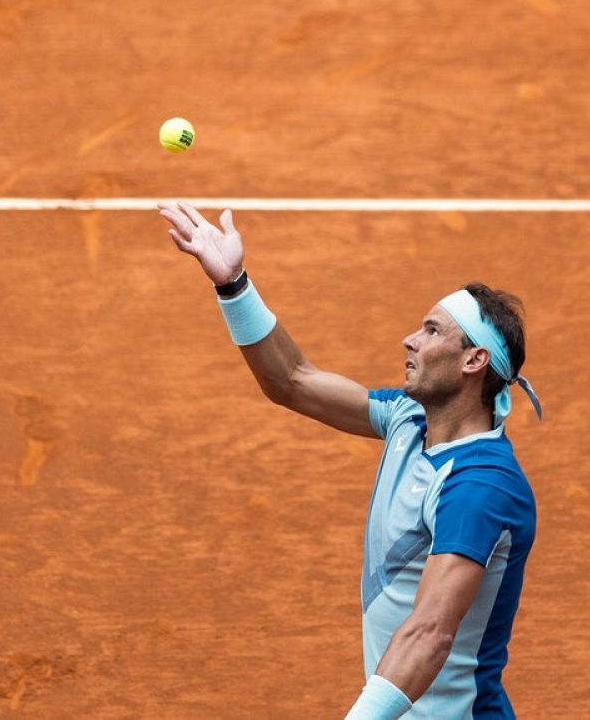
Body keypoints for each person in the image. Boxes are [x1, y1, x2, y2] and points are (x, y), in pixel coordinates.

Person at [158, 201, 543, 719]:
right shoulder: (409, 419)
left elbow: (430, 631)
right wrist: (234, 285)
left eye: (432, 331)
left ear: (474, 361)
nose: (410, 339)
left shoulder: (480, 486)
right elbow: (291, 380)